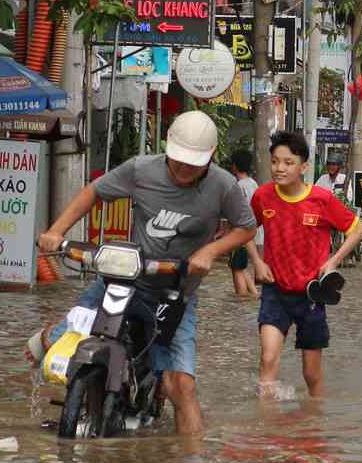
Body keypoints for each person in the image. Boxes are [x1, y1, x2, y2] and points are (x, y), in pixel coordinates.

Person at [37, 110, 256, 436]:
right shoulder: (141, 169)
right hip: (123, 280)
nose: (183, 169)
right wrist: (56, 231)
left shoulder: (225, 186)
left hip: (175, 293)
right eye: (177, 160)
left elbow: (246, 228)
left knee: (181, 386)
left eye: (193, 164)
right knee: (48, 348)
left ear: (210, 159)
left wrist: (209, 251)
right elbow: (94, 192)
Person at [247, 130, 362, 396]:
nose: (280, 168)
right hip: (275, 291)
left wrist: (333, 261)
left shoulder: (321, 200)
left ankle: (314, 425)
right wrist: (256, 260)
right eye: (275, 161)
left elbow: (358, 229)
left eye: (288, 162)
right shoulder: (263, 196)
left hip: (312, 294)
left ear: (304, 166)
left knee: (311, 375)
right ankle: (266, 428)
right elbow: (244, 229)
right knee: (267, 360)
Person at [225, 149, 261, 298]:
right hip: (254, 231)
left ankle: (241, 297)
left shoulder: (238, 186)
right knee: (242, 266)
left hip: (240, 232)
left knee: (236, 268)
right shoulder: (253, 184)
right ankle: (254, 294)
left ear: (234, 166)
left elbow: (236, 212)